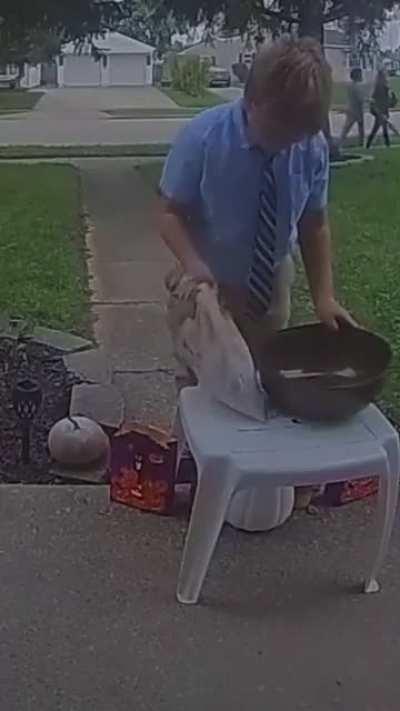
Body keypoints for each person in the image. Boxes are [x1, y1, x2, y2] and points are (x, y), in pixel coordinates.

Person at [159, 37, 354, 383]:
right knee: (203, 383)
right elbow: (169, 214)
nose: (289, 141)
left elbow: (314, 224)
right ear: (252, 100)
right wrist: (193, 264)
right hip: (208, 283)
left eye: (299, 134)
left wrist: (324, 297)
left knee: (263, 377)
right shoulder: (202, 138)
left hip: (271, 283)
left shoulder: (311, 147)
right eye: (280, 129)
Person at [367, 69, 399, 148]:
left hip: (381, 110)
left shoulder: (380, 86)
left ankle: (369, 144)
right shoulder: (382, 87)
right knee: (381, 128)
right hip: (381, 111)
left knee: (378, 128)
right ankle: (386, 144)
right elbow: (382, 100)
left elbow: (375, 99)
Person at [339, 67, 365, 147]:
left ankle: (361, 142)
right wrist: (368, 100)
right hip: (355, 110)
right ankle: (340, 142)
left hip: (352, 108)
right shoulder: (356, 86)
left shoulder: (350, 85)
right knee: (349, 127)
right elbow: (360, 98)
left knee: (351, 127)